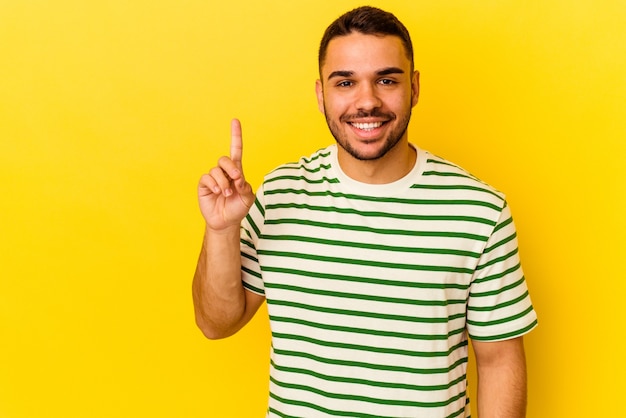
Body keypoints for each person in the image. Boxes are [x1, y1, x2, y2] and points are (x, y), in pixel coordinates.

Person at [193, 6, 537, 417]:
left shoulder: (480, 210)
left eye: (386, 80)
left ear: (414, 87)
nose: (367, 101)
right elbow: (216, 324)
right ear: (321, 94)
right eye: (345, 82)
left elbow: (499, 360)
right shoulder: (277, 194)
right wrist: (221, 231)